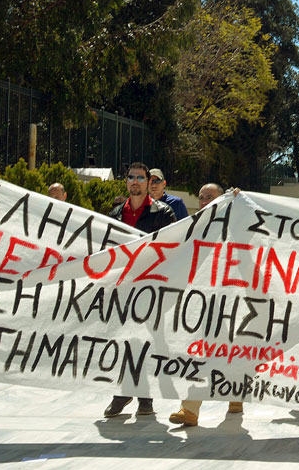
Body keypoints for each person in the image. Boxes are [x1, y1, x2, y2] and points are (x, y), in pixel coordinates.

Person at [103, 163, 177, 418]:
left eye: (141, 178)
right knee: (125, 341)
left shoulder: (163, 213)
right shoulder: (113, 215)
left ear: (148, 182)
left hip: (152, 288)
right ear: (126, 182)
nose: (135, 181)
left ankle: (131, 395)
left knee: (145, 342)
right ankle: (138, 397)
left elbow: (173, 250)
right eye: (131, 177)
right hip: (122, 288)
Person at [169, 181, 243, 426]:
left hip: (231, 301)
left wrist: (240, 202)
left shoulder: (237, 224)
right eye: (201, 197)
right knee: (197, 351)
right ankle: (189, 409)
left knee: (229, 350)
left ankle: (235, 392)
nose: (203, 201)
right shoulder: (193, 226)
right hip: (201, 302)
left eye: (210, 197)